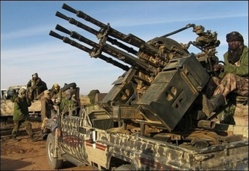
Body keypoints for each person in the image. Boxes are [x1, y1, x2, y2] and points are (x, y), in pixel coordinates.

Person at [202, 31, 248, 118]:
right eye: (230, 41)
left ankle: (212, 105)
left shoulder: (247, 53)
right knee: (214, 79)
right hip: (233, 85)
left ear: (240, 42)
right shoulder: (227, 55)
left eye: (235, 41)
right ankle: (205, 106)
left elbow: (245, 70)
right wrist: (218, 70)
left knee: (230, 77)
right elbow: (225, 75)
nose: (232, 43)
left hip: (246, 85)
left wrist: (225, 68)